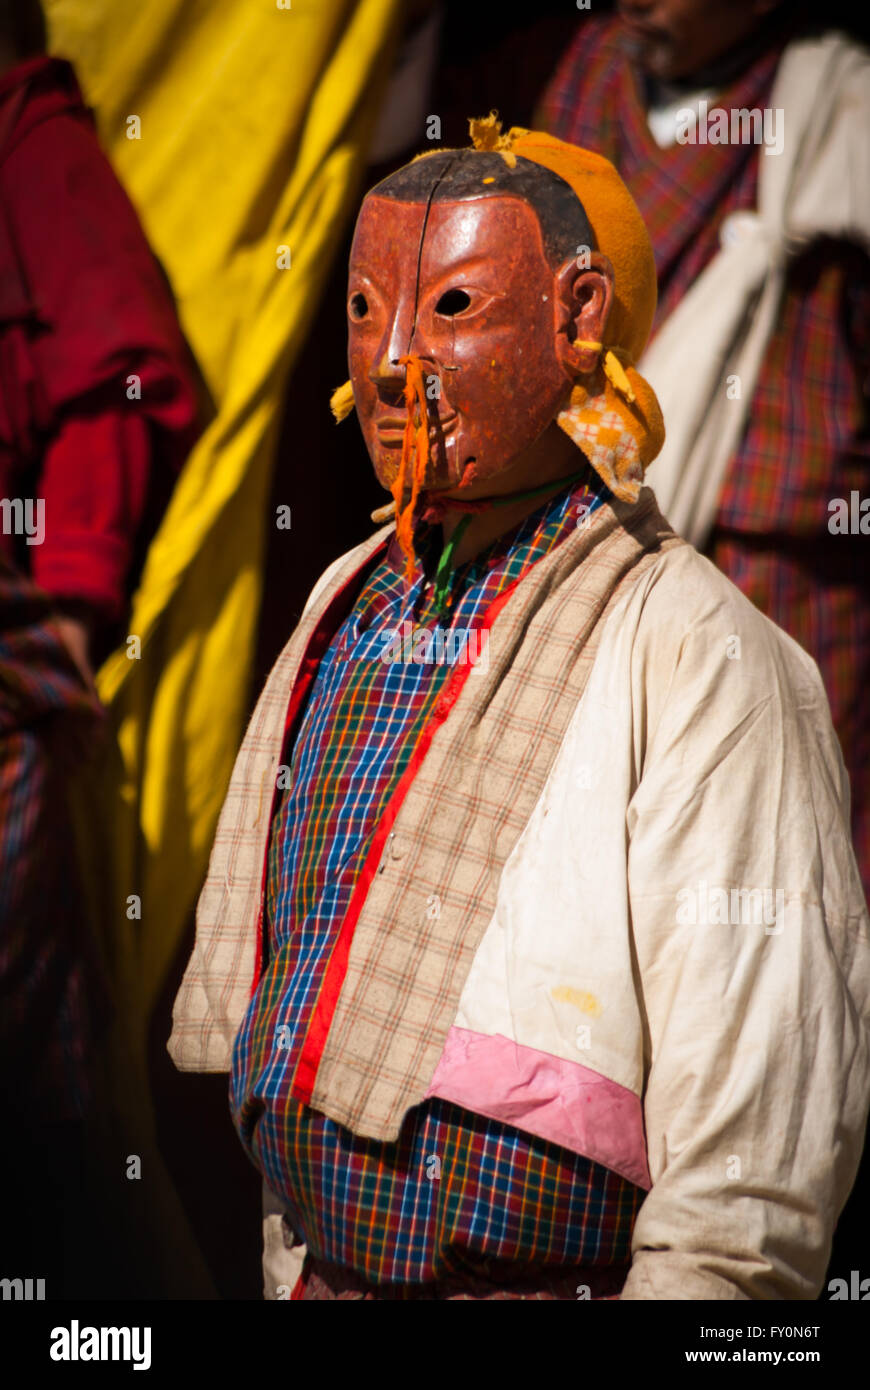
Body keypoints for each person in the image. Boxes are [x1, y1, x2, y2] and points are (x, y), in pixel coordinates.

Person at [169, 121, 870, 1300]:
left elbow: (751, 1178)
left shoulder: (702, 656)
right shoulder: (341, 613)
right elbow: (293, 1049)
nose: (391, 358)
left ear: (578, 316)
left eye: (448, 307)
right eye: (362, 307)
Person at [536, 0, 870, 904]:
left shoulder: (841, 102)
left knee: (783, 854)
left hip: (783, 552)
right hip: (602, 526)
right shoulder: (596, 68)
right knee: (615, 834)